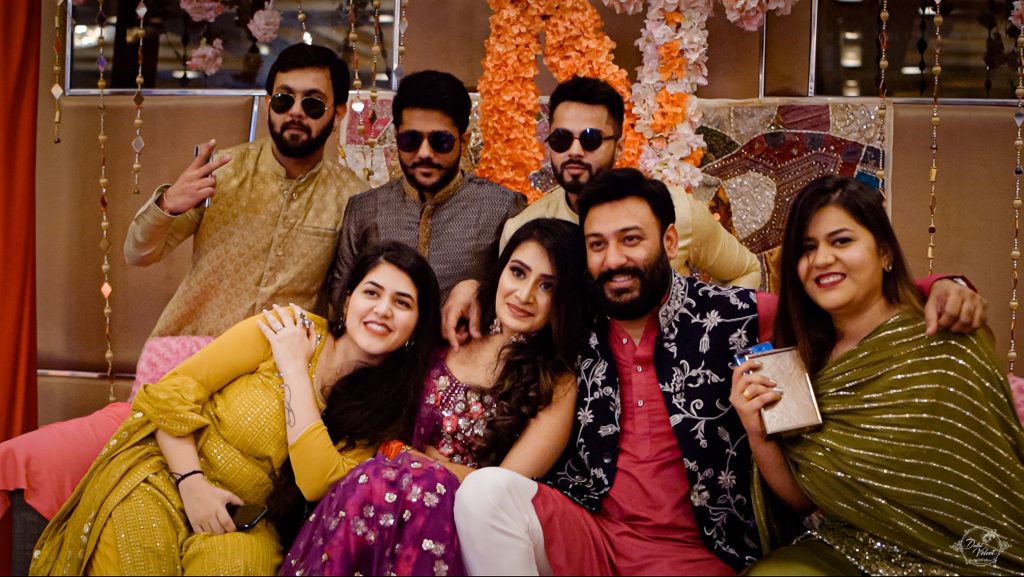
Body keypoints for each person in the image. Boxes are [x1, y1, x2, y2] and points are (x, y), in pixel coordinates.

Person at [452, 168, 991, 576]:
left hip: (698, 555)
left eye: (630, 239)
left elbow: (833, 303)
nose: (613, 259)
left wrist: (942, 286)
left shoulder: (737, 314)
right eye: (597, 245)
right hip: (592, 535)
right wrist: (469, 288)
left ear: (667, 243)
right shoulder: (578, 323)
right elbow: (518, 304)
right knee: (486, 495)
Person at [29, 242, 441, 576]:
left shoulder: (387, 408)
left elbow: (319, 482)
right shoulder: (283, 328)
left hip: (246, 519)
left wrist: (295, 370)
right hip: (169, 474)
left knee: (238, 566)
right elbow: (174, 391)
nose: (383, 310)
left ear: (415, 327)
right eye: (372, 292)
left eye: (402, 303)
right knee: (140, 556)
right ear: (348, 300)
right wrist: (191, 484)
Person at [732, 176, 1024, 575]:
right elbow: (804, 501)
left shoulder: (947, 341)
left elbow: (989, 486)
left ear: (884, 252)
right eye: (807, 248)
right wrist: (757, 433)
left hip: (956, 555)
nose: (821, 260)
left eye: (841, 241)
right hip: (845, 548)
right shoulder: (804, 360)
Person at [281, 219, 588, 576]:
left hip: (449, 525)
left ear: (567, 298)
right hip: (368, 493)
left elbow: (500, 492)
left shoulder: (556, 384)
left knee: (423, 483)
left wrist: (418, 462)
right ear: (500, 271)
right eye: (517, 273)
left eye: (547, 286)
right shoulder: (455, 329)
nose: (524, 295)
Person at [443, 76, 759, 348]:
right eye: (561, 139)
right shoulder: (526, 228)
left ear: (619, 147)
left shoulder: (675, 211)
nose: (575, 151)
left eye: (591, 139)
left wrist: (705, 337)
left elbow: (745, 270)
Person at [125, 43, 367, 338]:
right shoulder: (223, 171)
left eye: (312, 104)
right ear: (268, 104)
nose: (295, 112)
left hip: (276, 372)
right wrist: (168, 204)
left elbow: (348, 300)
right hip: (190, 358)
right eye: (283, 100)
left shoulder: (351, 198)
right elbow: (138, 253)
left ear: (338, 113)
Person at [328, 70, 525, 304]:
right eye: (410, 140)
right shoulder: (364, 209)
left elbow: (518, 298)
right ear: (397, 137)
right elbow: (341, 300)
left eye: (440, 141)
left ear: (463, 141)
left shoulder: (501, 209)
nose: (424, 153)